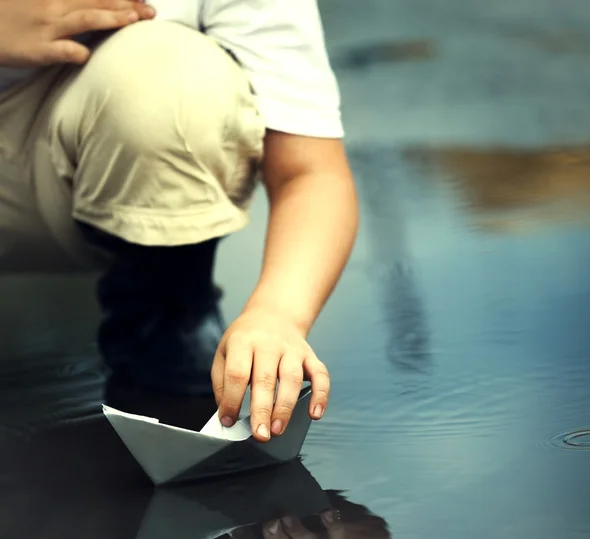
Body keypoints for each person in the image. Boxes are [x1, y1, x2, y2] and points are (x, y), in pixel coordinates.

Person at [0, 0, 359, 442]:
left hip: (63, 168)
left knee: (165, 72)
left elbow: (310, 172)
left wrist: (277, 314)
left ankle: (163, 329)